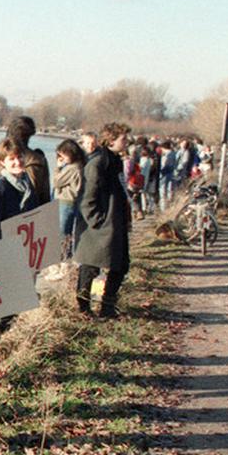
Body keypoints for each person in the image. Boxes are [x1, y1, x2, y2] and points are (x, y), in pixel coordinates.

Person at [0, 138, 43, 360]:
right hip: (3, 253)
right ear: (2, 162)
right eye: (11, 159)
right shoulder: (0, 187)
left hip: (22, 253)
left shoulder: (27, 183)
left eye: (19, 157)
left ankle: (3, 351)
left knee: (13, 307)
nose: (17, 162)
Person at [76, 124, 133, 319]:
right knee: (90, 266)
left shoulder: (114, 161)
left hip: (114, 223)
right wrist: (97, 220)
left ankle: (107, 306)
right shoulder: (98, 162)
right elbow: (87, 196)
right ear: (111, 140)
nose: (127, 142)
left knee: (120, 265)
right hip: (100, 226)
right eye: (123, 139)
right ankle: (83, 308)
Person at [52, 138, 87, 264]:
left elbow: (56, 182)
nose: (61, 157)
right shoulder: (81, 165)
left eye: (63, 154)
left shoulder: (72, 168)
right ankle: (67, 256)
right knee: (68, 232)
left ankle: (63, 259)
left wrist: (58, 168)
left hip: (66, 201)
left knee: (63, 232)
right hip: (73, 201)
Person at [7, 115, 53, 206]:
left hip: (4, 213)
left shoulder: (0, 157)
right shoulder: (39, 160)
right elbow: (45, 195)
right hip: (31, 215)